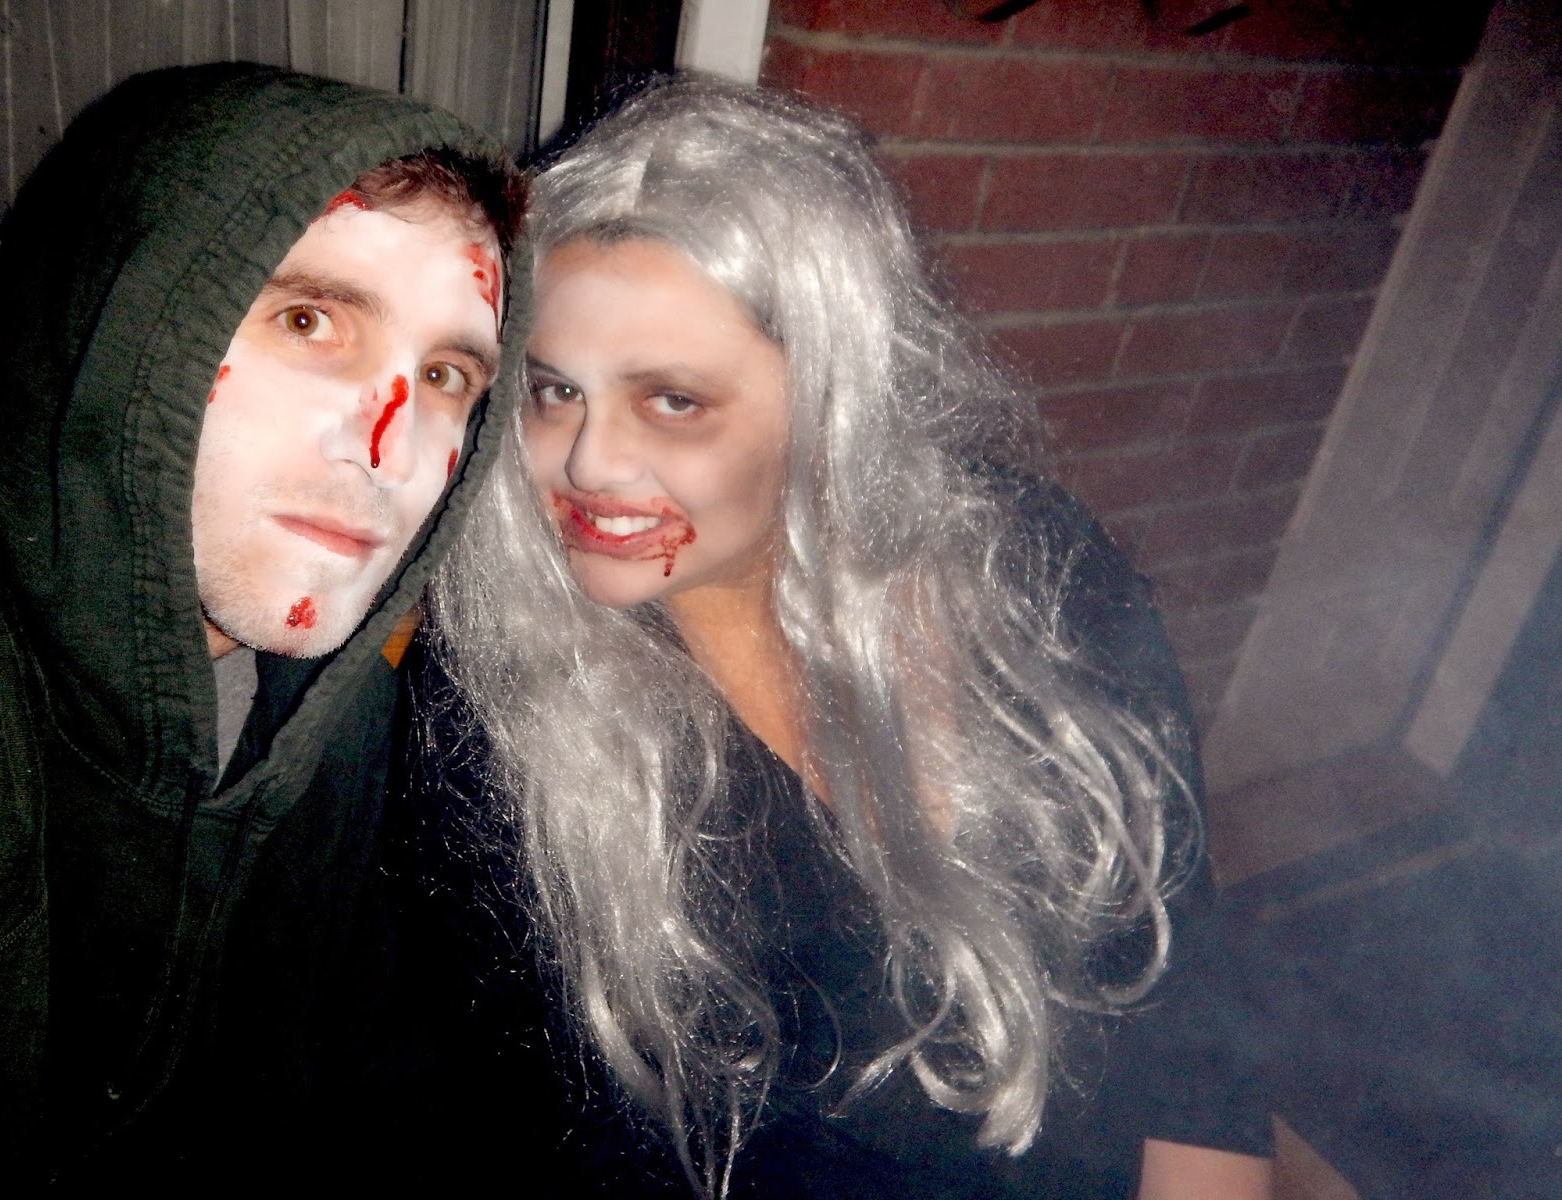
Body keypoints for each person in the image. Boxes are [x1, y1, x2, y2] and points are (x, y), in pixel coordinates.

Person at [426, 76, 1272, 1197]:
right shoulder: (504, 714)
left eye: (672, 401)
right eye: (552, 391)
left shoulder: (1035, 565)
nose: (588, 463)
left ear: (834, 398)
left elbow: (1179, 985)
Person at [0, 62, 526, 1177]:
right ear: (118, 310)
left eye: (446, 376)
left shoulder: (340, 715)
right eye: (309, 321)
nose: (389, 449)